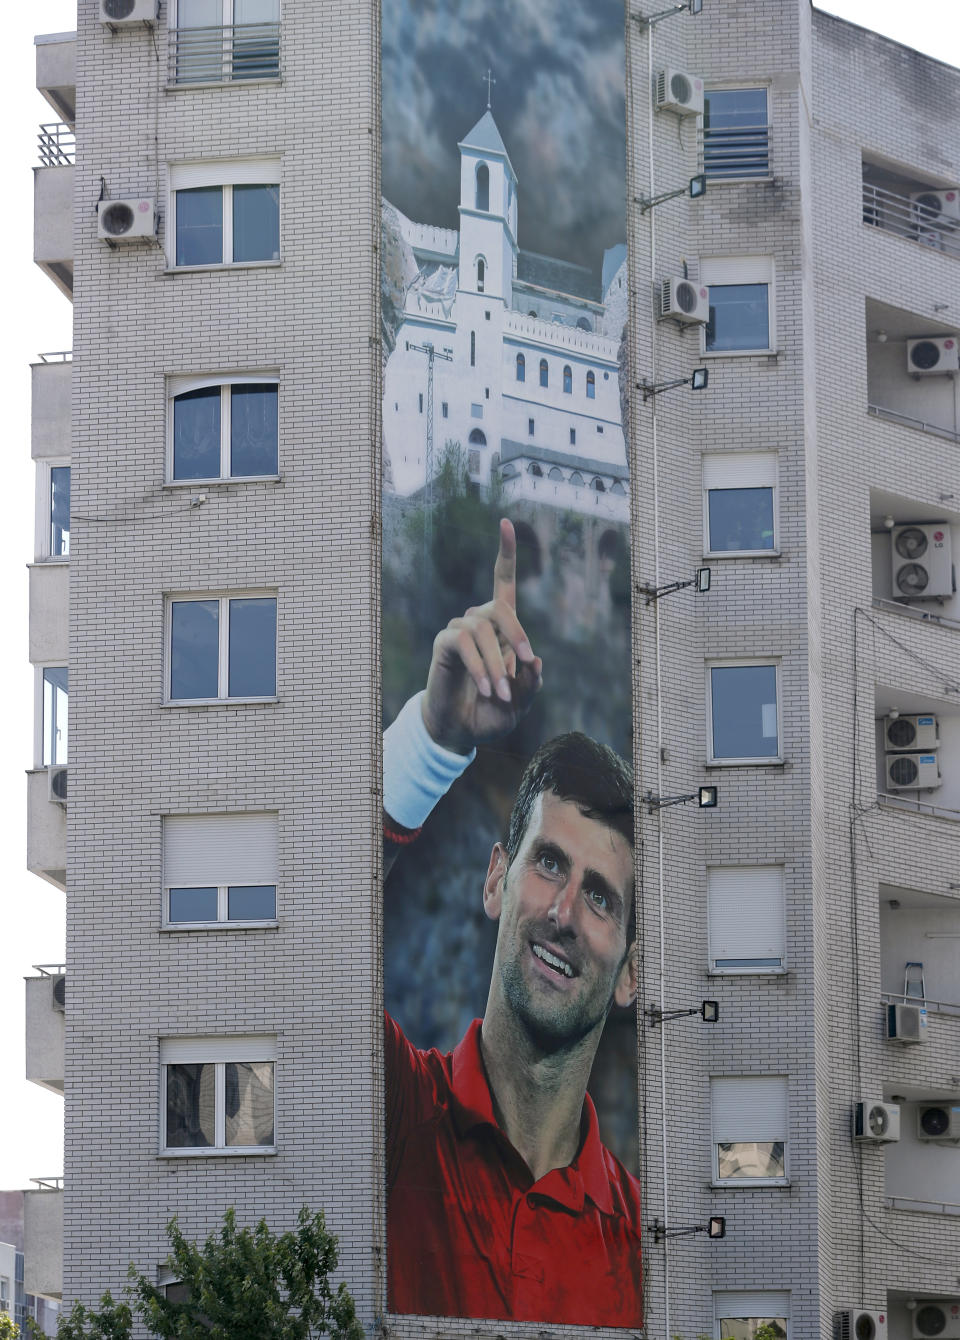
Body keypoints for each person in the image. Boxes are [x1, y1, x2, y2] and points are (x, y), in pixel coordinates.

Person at [382, 519, 642, 1328]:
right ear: (497, 878)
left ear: (634, 971)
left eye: (602, 898)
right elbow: (291, 924)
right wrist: (436, 735)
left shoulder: (644, 1241)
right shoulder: (386, 1110)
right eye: (549, 864)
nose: (564, 914)